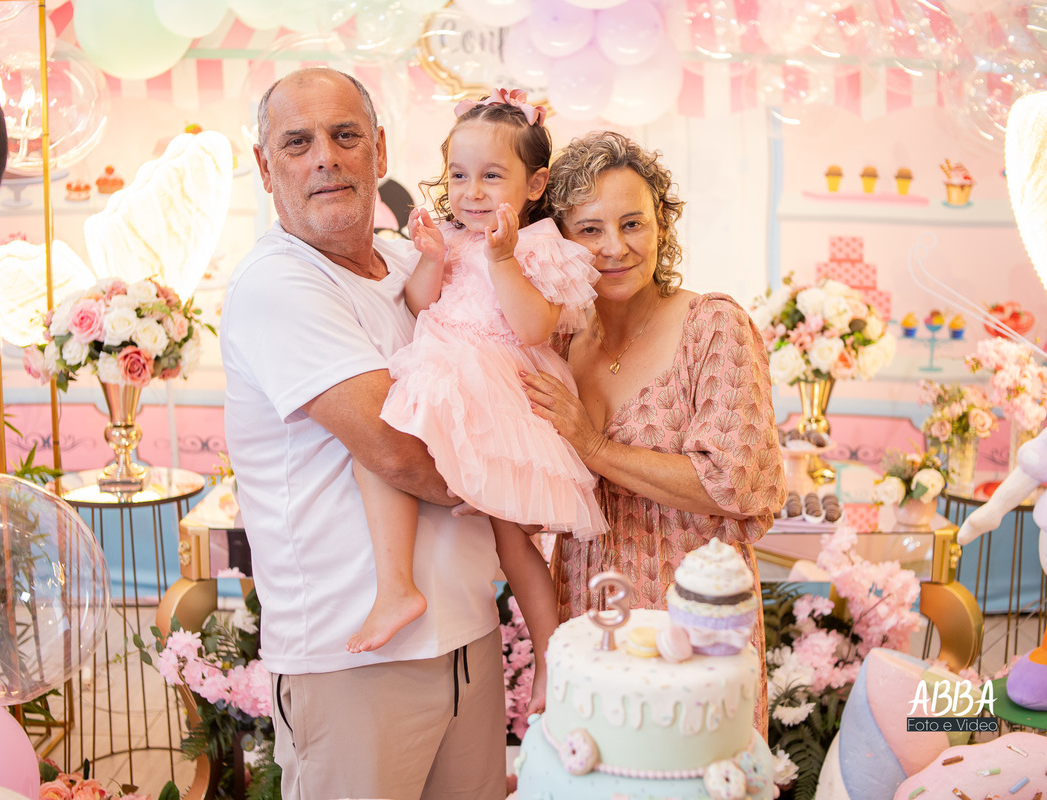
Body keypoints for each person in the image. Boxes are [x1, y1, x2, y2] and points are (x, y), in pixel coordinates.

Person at [220, 67, 505, 800]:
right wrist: (515, 487)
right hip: (354, 661)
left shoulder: (413, 263)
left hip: (468, 638)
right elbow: (395, 452)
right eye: (298, 142)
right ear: (265, 168)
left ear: (379, 150)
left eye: (345, 135)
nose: (326, 157)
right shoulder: (280, 283)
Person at [347, 90, 606, 711]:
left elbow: (534, 329)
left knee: (515, 542)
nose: (472, 191)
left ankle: (550, 657)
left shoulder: (537, 245)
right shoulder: (451, 238)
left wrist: (503, 258)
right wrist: (432, 259)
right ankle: (396, 587)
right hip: (442, 372)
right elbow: (422, 305)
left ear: (534, 183)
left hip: (499, 388)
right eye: (459, 175)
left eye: (492, 175)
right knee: (376, 450)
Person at [522, 131, 787, 737]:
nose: (615, 247)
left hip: (695, 630)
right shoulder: (556, 343)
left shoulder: (711, 326)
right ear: (558, 240)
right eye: (590, 229)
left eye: (633, 223)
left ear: (662, 225)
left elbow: (735, 483)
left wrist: (593, 446)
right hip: (588, 615)